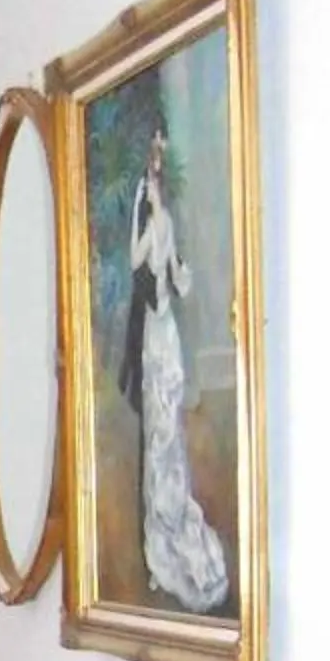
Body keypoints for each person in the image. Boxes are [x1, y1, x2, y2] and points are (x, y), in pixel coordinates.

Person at [122, 124, 226, 612]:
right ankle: (165, 519)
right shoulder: (158, 216)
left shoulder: (160, 220)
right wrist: (147, 222)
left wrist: (137, 216)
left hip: (163, 332)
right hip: (159, 329)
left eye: (148, 182)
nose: (148, 185)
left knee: (166, 432)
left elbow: (154, 267)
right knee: (163, 431)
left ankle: (169, 518)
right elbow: (152, 266)